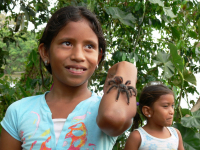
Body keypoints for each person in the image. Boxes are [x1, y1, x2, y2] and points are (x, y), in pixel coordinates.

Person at [0, 6, 137, 150]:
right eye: (67, 43)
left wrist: (127, 67)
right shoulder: (19, 111)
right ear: (45, 52)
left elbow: (114, 118)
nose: (78, 56)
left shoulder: (104, 108)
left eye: (89, 46)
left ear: (99, 57)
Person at [124, 83, 184, 150]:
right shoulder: (137, 137)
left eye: (172, 105)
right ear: (147, 111)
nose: (172, 111)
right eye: (165, 106)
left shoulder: (175, 134)